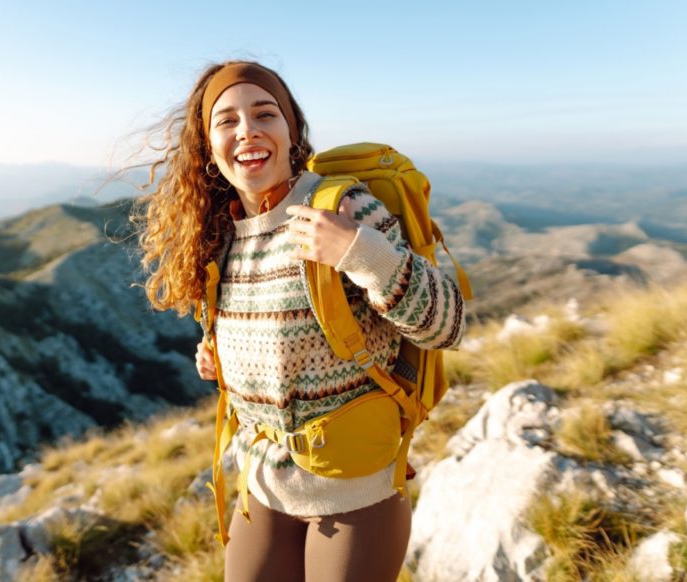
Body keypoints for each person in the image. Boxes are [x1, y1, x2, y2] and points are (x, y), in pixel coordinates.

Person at [135, 60, 466, 582]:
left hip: (355, 491)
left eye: (264, 113)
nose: (248, 130)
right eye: (227, 120)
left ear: (292, 131)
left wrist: (363, 254)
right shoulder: (220, 233)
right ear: (206, 144)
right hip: (264, 483)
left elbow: (448, 324)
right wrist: (221, 357)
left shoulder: (342, 207)